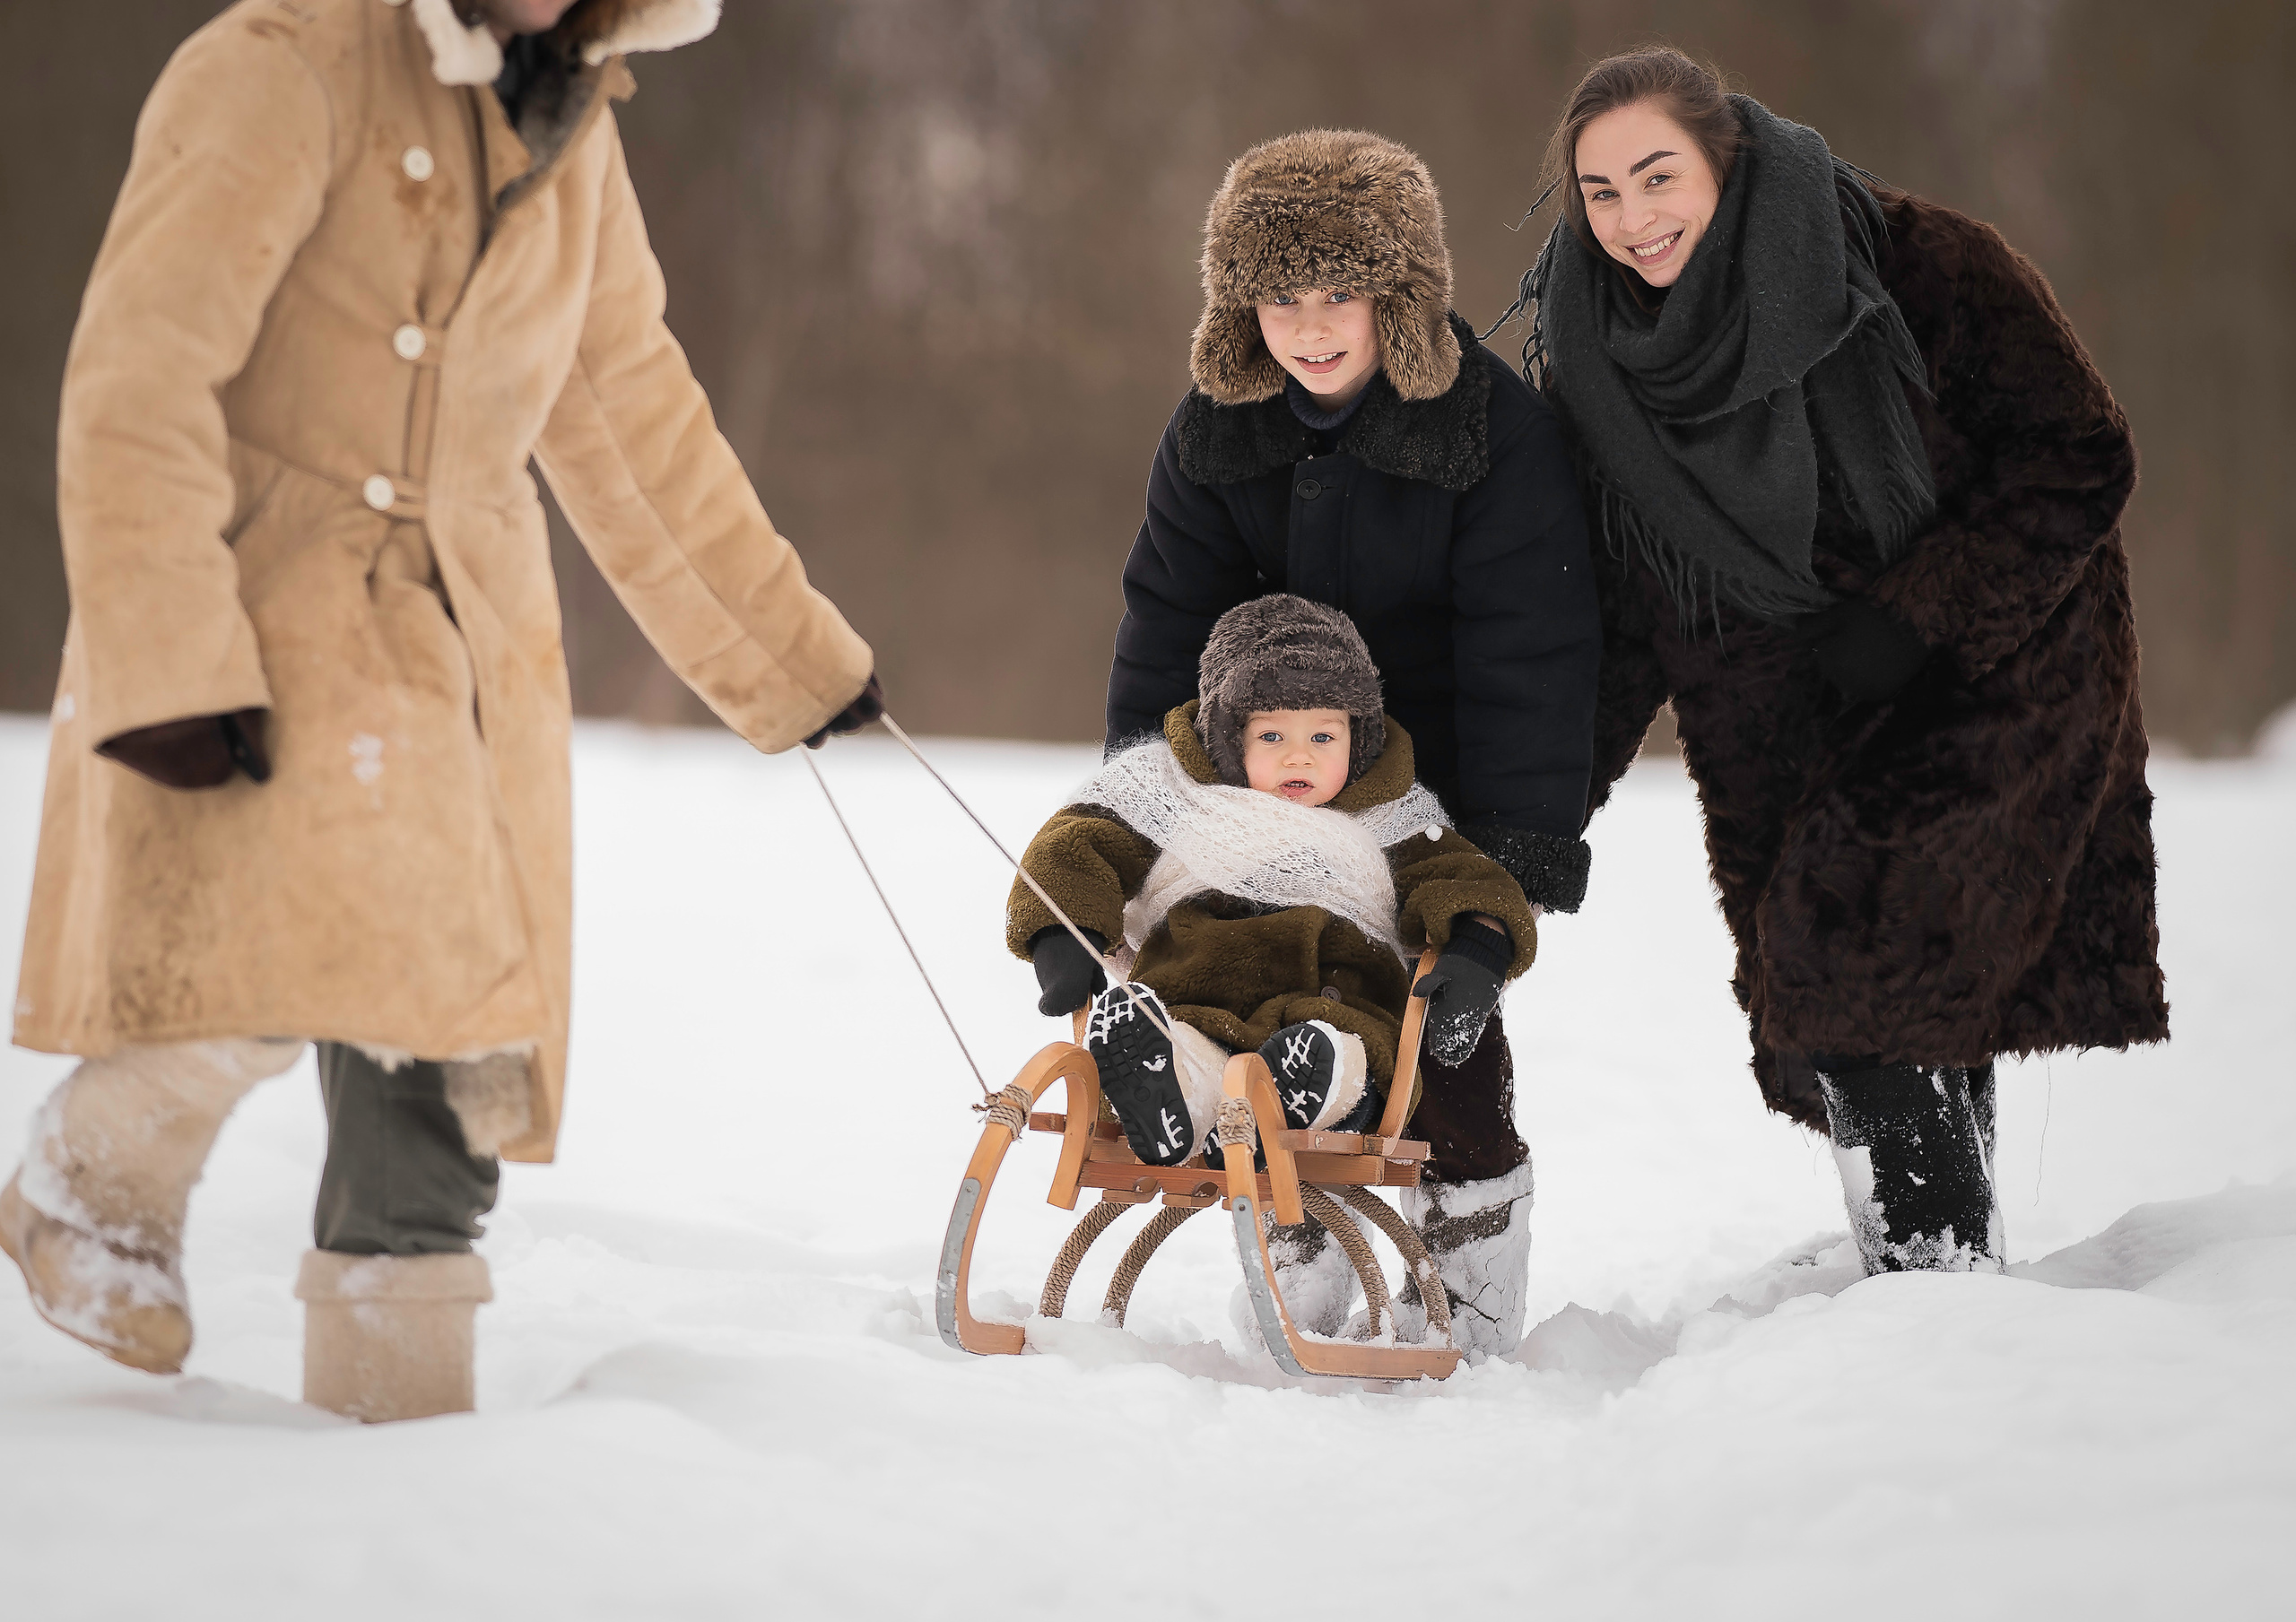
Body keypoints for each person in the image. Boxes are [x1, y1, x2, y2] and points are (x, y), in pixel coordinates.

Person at [3, 0, 882, 1421]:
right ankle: (91, 1183)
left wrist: (796, 661)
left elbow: (636, 424)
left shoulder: (574, 128)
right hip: (267, 608)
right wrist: (168, 656)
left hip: (462, 638)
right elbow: (138, 377)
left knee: (446, 1057)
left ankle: (403, 1448)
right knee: (286, 945)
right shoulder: (287, 67)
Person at [1518, 47, 2168, 1273]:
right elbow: (1615, 619)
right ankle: (1947, 1287)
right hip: (1785, 706)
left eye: (1657, 177)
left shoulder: (1917, 263)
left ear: (1727, 158)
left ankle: (1929, 1292)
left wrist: (1919, 612)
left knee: (1852, 942)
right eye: (1601, 194)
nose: (1632, 220)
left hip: (2003, 658)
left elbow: (2081, 453)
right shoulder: (1596, 365)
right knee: (1866, 991)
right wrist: (1538, 811)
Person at [1104, 130, 1600, 1353]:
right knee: (1242, 1004)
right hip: (1261, 798)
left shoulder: (1493, 437)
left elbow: (1530, 656)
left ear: (1399, 298)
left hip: (1430, 804)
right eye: (1281, 297)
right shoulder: (1217, 431)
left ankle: (1473, 1282)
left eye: (1341, 296)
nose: (1311, 327)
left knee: (1445, 1051)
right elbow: (1168, 630)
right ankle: (1292, 1242)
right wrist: (1140, 830)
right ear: (1241, 305)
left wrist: (1495, 887)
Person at [1013, 595, 1538, 1349]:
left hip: (1333, 1008)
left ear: (1356, 738)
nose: (1300, 756)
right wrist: (1061, 935)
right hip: (1193, 1003)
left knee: (1341, 1048)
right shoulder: (1171, 793)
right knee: (1181, 1044)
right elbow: (1079, 841)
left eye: (1322, 734)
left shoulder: (1392, 813)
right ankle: (1163, 1089)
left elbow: (1468, 880)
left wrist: (1479, 948)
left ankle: (1302, 1090)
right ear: (1228, 740)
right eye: (1273, 735)